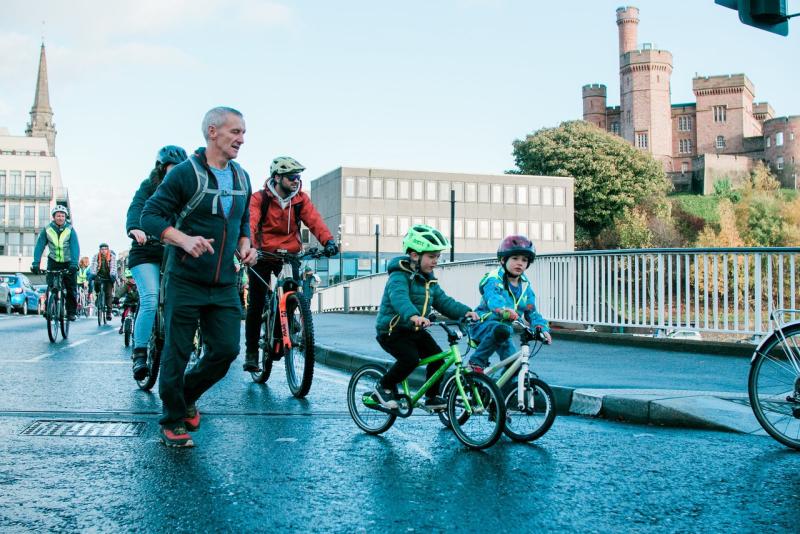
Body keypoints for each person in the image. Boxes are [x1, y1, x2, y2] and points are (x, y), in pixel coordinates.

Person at [141, 106, 257, 448]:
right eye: (235, 132)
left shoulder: (242, 177)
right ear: (212, 132)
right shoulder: (184, 174)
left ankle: (186, 395)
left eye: (243, 133)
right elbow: (150, 215)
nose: (241, 139)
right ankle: (172, 420)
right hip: (185, 279)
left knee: (226, 350)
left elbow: (242, 220)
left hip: (223, 281)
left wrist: (245, 245)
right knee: (176, 351)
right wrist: (183, 239)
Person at [243, 156, 338, 372]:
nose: (296, 181)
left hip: (290, 254)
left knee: (292, 290)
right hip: (263, 253)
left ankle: (286, 323)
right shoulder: (260, 199)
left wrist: (328, 241)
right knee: (256, 302)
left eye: (298, 177)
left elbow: (314, 221)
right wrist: (248, 245)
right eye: (292, 177)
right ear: (277, 178)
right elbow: (250, 221)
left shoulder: (300, 200)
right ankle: (251, 353)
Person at [373, 224, 479, 411]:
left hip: (414, 330)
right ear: (415, 255)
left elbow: (443, 301)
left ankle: (432, 398)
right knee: (410, 359)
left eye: (437, 256)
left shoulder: (429, 279)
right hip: (392, 330)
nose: (435, 261)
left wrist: (465, 312)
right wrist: (413, 315)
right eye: (431, 256)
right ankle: (384, 386)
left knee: (438, 359)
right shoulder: (398, 276)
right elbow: (399, 299)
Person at [125, 145, 188, 380]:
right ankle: (140, 353)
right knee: (150, 298)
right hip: (146, 251)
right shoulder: (149, 186)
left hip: (172, 251)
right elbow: (136, 208)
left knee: (181, 301)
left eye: (179, 170)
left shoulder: (185, 190)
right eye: (171, 169)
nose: (175, 174)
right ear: (161, 169)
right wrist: (135, 228)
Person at [467, 235, 551, 374]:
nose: (520, 263)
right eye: (515, 258)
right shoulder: (494, 279)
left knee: (514, 369)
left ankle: (505, 394)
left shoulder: (525, 287)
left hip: (504, 331)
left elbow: (531, 311)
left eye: (524, 260)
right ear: (503, 260)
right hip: (483, 325)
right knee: (502, 329)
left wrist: (541, 328)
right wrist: (503, 310)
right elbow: (493, 298)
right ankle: (476, 362)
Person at [31, 205, 80, 321]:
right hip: (53, 261)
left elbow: (75, 247)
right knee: (51, 285)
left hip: (68, 262)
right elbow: (39, 246)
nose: (60, 218)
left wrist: (74, 263)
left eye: (62, 216)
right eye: (58, 215)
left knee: (70, 287)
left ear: (65, 217)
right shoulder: (47, 229)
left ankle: (71, 312)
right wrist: (36, 263)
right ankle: (49, 307)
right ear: (54, 217)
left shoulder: (70, 229)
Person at [89, 243, 117, 321]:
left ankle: (108, 312)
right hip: (99, 275)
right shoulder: (96, 256)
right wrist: (93, 274)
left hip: (108, 276)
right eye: (102, 249)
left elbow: (113, 267)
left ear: (107, 249)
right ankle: (98, 295)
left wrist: (112, 275)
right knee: (96, 283)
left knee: (108, 294)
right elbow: (93, 266)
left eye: (105, 249)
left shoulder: (112, 256)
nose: (103, 251)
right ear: (100, 250)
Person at [115, 269, 139, 334]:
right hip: (129, 302)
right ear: (127, 279)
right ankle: (122, 325)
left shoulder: (140, 284)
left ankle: (139, 327)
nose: (132, 279)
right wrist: (116, 297)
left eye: (133, 277)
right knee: (124, 314)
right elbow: (121, 291)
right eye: (130, 278)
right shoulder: (127, 285)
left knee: (139, 315)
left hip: (138, 302)